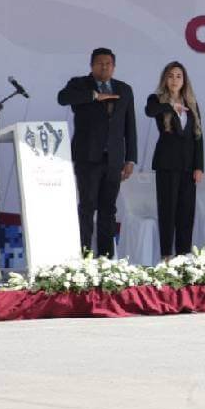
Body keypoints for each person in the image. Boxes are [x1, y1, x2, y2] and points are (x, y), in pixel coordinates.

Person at [57, 47, 138, 258]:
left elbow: (130, 125)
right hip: (88, 157)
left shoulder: (124, 89)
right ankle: (84, 257)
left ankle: (105, 258)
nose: (104, 67)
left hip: (114, 159)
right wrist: (95, 96)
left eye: (108, 64)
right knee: (87, 207)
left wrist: (130, 159)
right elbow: (62, 98)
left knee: (108, 209)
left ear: (114, 66)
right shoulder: (79, 84)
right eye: (100, 63)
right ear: (92, 65)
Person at [145, 62, 204, 259]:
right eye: (170, 76)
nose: (174, 80)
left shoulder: (192, 103)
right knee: (167, 212)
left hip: (188, 166)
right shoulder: (157, 100)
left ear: (184, 80)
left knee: (186, 213)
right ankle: (166, 256)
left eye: (178, 76)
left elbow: (198, 136)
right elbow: (150, 111)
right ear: (165, 79)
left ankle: (183, 256)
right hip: (167, 164)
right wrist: (170, 106)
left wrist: (199, 166)